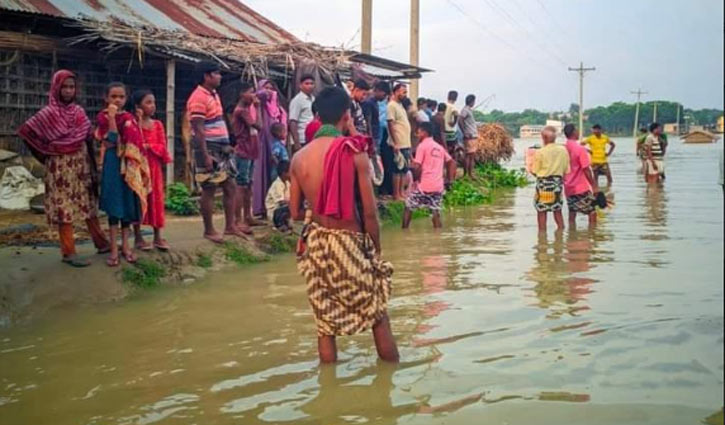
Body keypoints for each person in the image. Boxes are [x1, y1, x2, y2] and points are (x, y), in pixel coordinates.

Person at [291, 86, 399, 364]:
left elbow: (293, 212)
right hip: (348, 241)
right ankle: (390, 387)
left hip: (316, 242)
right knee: (377, 313)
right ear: (346, 115)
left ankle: (328, 389)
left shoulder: (298, 158)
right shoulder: (354, 152)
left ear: (317, 115)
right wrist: (376, 250)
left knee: (325, 323)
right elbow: (371, 213)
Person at [17, 69, 111, 267]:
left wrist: (93, 165)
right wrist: (44, 154)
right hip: (59, 168)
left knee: (88, 204)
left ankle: (101, 243)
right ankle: (68, 252)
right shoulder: (48, 113)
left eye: (72, 87)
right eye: (64, 87)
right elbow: (27, 133)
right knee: (64, 209)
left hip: (81, 166)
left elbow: (87, 137)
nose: (69, 91)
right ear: (56, 88)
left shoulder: (79, 112)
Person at [95, 82, 151, 266]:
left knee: (127, 204)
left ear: (126, 99)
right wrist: (112, 118)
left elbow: (135, 140)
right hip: (113, 163)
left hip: (128, 165)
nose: (117, 100)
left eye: (121, 97)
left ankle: (126, 246)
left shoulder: (128, 118)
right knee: (114, 205)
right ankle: (113, 248)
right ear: (106, 98)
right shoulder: (103, 117)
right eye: (113, 97)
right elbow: (111, 138)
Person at [187, 62, 242, 242]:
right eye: (216, 73)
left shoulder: (214, 94)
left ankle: (230, 226)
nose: (220, 77)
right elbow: (198, 129)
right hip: (209, 147)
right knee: (209, 188)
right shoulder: (198, 98)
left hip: (222, 146)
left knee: (230, 185)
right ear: (207, 76)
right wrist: (205, 155)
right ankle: (209, 230)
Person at [131, 89, 173, 251]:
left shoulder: (158, 125)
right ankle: (138, 237)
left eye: (153, 102)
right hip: (137, 168)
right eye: (148, 102)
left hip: (154, 168)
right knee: (138, 199)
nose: (153, 106)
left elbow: (163, 147)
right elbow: (133, 144)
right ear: (138, 106)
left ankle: (157, 237)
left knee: (155, 199)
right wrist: (138, 120)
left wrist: (149, 146)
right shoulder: (133, 125)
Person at [403, 122, 456, 229]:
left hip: (424, 185)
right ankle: (438, 236)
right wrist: (449, 180)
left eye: (418, 131)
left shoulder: (422, 146)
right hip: (438, 186)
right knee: (435, 211)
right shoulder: (439, 147)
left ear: (424, 132)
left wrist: (415, 181)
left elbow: (417, 167)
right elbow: (452, 162)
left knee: (408, 206)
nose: (416, 133)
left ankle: (404, 230)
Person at [253, 78, 288, 219]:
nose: (269, 91)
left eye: (271, 88)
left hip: (275, 142)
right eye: (265, 87)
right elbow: (260, 95)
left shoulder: (277, 107)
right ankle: (260, 207)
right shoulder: (259, 104)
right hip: (263, 142)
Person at [231, 81, 261, 235]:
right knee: (241, 185)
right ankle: (238, 220)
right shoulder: (242, 111)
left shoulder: (245, 110)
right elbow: (259, 126)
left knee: (248, 185)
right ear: (242, 94)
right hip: (244, 151)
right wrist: (257, 107)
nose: (254, 95)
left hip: (250, 150)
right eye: (251, 92)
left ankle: (247, 216)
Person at [532, 126, 570, 232]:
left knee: (541, 211)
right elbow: (566, 170)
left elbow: (535, 171)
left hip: (544, 184)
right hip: (557, 183)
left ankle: (542, 238)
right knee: (557, 210)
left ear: (543, 138)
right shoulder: (563, 150)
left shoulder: (540, 152)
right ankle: (561, 235)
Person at [563, 124, 598, 229]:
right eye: (577, 130)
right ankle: (592, 233)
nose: (578, 132)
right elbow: (586, 169)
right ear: (574, 132)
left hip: (568, 186)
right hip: (580, 187)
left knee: (572, 212)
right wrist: (594, 186)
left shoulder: (564, 148)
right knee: (592, 212)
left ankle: (571, 234)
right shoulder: (580, 149)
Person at [387, 84, 413, 200]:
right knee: (397, 169)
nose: (405, 94)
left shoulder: (401, 106)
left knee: (403, 169)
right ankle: (396, 194)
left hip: (405, 142)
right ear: (396, 92)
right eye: (403, 92)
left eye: (406, 92)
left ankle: (401, 192)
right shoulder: (392, 105)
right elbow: (390, 124)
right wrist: (395, 142)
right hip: (398, 143)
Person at [289, 74, 316, 152]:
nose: (310, 86)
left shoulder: (313, 99)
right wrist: (296, 143)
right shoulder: (297, 100)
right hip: (302, 139)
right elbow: (293, 121)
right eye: (307, 83)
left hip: (311, 137)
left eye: (312, 83)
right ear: (300, 86)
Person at [265, 161, 291, 232]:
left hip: (283, 208)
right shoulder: (277, 184)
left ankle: (285, 222)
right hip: (275, 211)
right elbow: (281, 202)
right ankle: (279, 224)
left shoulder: (287, 183)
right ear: (284, 173)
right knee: (287, 207)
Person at [458, 94, 478, 178]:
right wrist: (464, 132)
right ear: (471, 101)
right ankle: (468, 174)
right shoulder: (465, 110)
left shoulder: (468, 110)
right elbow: (460, 119)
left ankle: (470, 173)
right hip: (469, 135)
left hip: (472, 135)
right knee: (469, 155)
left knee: (471, 155)